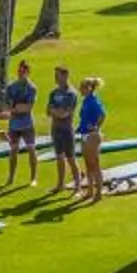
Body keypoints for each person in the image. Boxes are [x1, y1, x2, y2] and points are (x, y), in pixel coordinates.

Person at [3, 59, 41, 188]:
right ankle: (10, 178)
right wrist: (17, 107)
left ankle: (33, 178)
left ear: (28, 72)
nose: (20, 73)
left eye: (23, 71)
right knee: (13, 150)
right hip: (13, 125)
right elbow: (9, 105)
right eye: (19, 71)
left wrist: (16, 107)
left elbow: (27, 108)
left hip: (27, 124)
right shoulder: (11, 87)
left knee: (31, 149)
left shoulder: (32, 88)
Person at [45, 65, 80, 195]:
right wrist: (56, 111)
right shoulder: (53, 93)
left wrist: (55, 110)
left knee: (71, 158)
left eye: (57, 75)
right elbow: (48, 112)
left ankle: (78, 187)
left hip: (66, 130)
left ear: (65, 76)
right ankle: (60, 185)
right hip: (55, 129)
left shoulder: (71, 93)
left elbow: (65, 114)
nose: (55, 78)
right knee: (59, 158)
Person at [74, 75, 109, 205]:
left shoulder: (94, 100)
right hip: (84, 134)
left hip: (92, 135)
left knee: (95, 164)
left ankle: (98, 193)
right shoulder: (86, 100)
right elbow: (85, 118)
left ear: (89, 88)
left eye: (82, 87)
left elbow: (103, 114)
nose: (80, 89)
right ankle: (90, 191)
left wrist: (96, 127)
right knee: (88, 165)